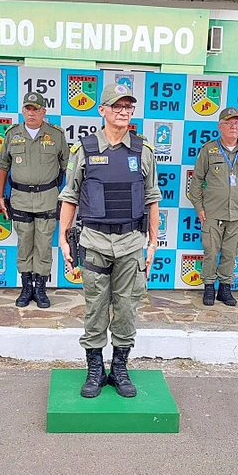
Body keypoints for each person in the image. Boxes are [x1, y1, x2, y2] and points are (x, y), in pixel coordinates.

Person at [58, 83, 161, 399]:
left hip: (131, 242)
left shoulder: (143, 151)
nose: (124, 111)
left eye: (128, 106)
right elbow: (70, 196)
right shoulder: (84, 150)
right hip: (94, 242)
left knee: (128, 308)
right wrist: (63, 238)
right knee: (95, 308)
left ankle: (119, 367)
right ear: (102, 110)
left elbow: (152, 199)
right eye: (117, 106)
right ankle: (94, 368)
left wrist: (153, 243)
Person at [0, 92, 69, 308]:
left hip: (47, 198)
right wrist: (0, 195)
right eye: (28, 108)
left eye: (36, 109)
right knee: (24, 244)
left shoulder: (56, 135)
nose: (31, 113)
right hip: (20, 199)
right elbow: (2, 166)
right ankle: (26, 287)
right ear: (23, 111)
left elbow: (68, 167)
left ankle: (41, 288)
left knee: (44, 245)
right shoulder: (12, 134)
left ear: (44, 112)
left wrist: (70, 199)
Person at [189, 106, 238, 307]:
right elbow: (196, 181)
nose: (233, 126)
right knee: (211, 252)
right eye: (228, 123)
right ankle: (209, 287)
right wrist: (199, 208)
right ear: (220, 126)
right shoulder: (208, 150)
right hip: (212, 212)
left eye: (236, 123)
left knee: (230, 252)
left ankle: (225, 288)